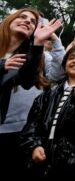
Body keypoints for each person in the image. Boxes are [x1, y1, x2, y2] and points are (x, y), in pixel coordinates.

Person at [20, 44, 75, 179]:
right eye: (71, 57)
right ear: (64, 64)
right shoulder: (50, 92)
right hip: (44, 156)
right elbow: (33, 123)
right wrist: (34, 146)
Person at [0, 9, 63, 179]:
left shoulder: (26, 56)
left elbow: (27, 80)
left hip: (15, 131)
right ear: (8, 21)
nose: (28, 21)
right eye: (22, 17)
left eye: (33, 21)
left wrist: (38, 44)